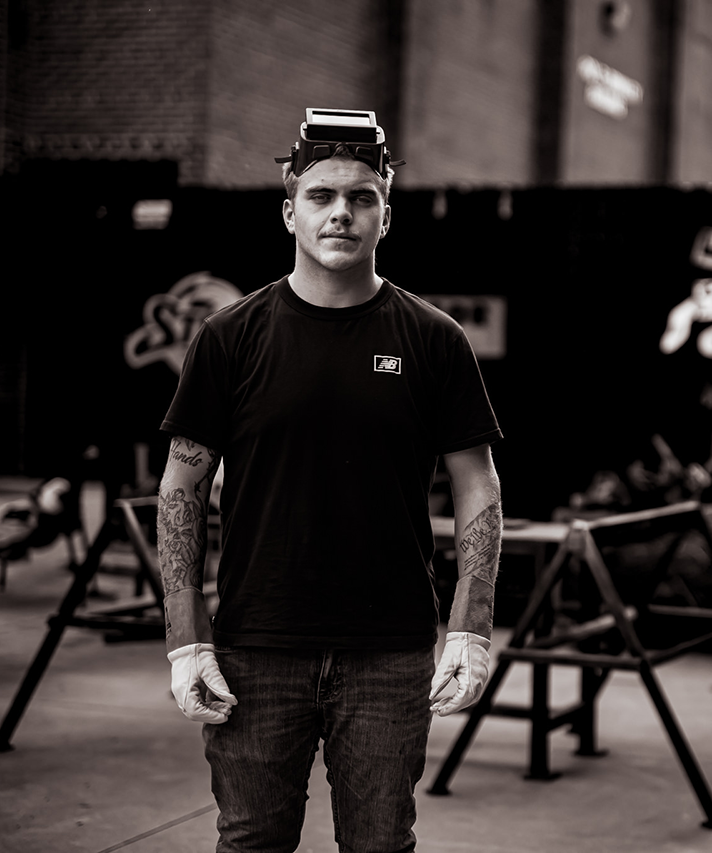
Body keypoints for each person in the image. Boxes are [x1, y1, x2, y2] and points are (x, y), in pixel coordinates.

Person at [156, 108, 503, 853]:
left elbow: (479, 486)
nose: (341, 212)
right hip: (256, 646)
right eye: (320, 195)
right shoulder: (229, 337)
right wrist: (187, 638)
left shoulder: (435, 339)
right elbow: (181, 488)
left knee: (380, 844)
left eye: (361, 197)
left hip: (390, 651)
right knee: (251, 841)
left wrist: (470, 627)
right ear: (290, 212)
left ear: (386, 216)